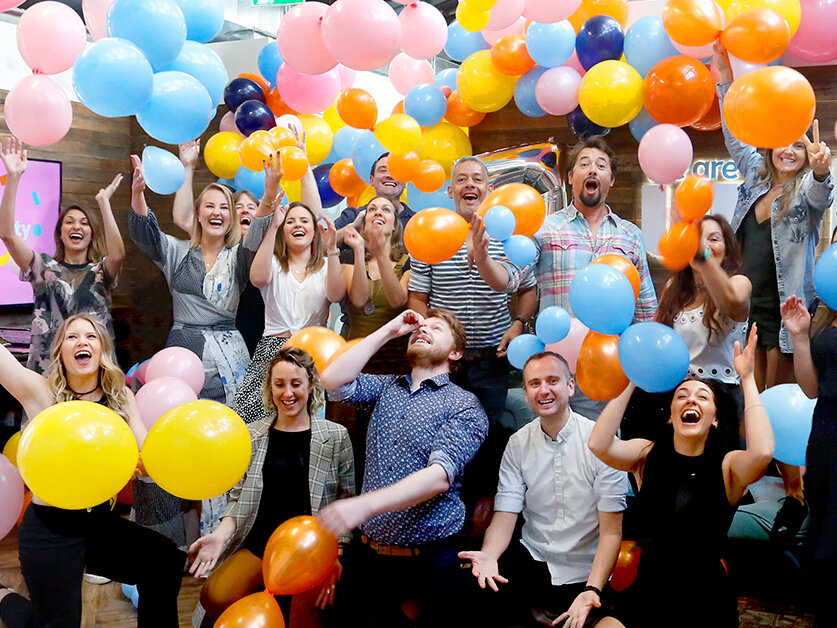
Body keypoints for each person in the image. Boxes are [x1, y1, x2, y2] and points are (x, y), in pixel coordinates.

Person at [714, 42, 833, 545]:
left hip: (788, 313)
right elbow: (734, 132)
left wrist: (823, 169)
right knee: (752, 401)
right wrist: (723, 79)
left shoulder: (804, 190)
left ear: (806, 149)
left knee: (785, 401)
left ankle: (796, 496)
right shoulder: (753, 179)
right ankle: (760, 485)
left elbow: (820, 193)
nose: (788, 150)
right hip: (749, 310)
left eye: (797, 145)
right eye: (780, 142)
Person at [128, 152, 278, 545]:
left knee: (225, 440)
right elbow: (145, 233)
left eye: (223, 207)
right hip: (182, 353)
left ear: (231, 216)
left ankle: (221, 539)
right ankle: (165, 541)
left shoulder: (239, 256)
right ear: (197, 213)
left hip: (231, 354)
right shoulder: (177, 252)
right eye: (208, 206)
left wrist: (271, 189)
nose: (217, 212)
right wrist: (139, 194)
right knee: (172, 440)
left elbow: (260, 229)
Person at [0, 315, 185, 628]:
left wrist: (147, 464)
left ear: (102, 350)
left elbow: (145, 449)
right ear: (60, 352)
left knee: (164, 560)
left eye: (91, 336)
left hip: (96, 524)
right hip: (50, 527)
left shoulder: (120, 398)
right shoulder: (43, 395)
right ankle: (3, 596)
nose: (82, 342)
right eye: (72, 337)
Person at [587, 326, 774, 628]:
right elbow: (599, 444)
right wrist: (633, 380)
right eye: (682, 396)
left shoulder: (728, 468)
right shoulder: (645, 454)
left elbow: (763, 452)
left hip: (704, 603)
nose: (691, 400)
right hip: (647, 594)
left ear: (714, 419)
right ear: (671, 415)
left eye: (703, 397)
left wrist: (748, 378)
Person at [317, 309, 488, 627]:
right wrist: (388, 331)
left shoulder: (463, 405)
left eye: (436, 328)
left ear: (455, 352)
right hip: (369, 558)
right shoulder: (386, 389)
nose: (423, 330)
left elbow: (439, 477)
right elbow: (331, 380)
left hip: (429, 562)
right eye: (420, 328)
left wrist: (364, 505)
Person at [475, 137, 657, 419]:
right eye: (584, 165)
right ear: (571, 178)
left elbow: (646, 308)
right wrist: (484, 257)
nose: (592, 170)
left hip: (606, 366)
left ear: (612, 180)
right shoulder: (546, 227)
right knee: (550, 450)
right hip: (554, 366)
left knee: (599, 453)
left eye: (601, 165)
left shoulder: (630, 234)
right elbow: (508, 279)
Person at [188, 346, 355, 626]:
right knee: (215, 597)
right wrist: (220, 534)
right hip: (259, 542)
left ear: (310, 385)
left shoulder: (336, 437)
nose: (287, 393)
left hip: (309, 551)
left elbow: (346, 500)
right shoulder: (252, 436)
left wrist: (335, 555)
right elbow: (238, 497)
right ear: (270, 388)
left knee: (303, 622)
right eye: (279, 384)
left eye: (295, 383)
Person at [459, 351, 627, 628]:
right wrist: (489, 554)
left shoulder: (600, 443)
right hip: (532, 564)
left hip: (585, 573)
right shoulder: (517, 444)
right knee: (470, 589)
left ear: (570, 386)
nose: (544, 390)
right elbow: (505, 514)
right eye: (534, 384)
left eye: (552, 380)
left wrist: (592, 590)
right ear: (525, 393)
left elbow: (611, 532)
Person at [409, 156, 537, 425]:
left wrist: (518, 324)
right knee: (439, 426)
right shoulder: (430, 234)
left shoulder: (507, 238)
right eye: (462, 179)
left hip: (492, 355)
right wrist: (429, 337)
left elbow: (527, 289)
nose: (470, 184)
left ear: (489, 190)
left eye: (478, 179)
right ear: (450, 190)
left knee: (487, 429)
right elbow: (418, 298)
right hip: (442, 356)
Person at [0, 137, 125, 376]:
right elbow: (6, 234)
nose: (76, 227)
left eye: (84, 223)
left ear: (92, 233)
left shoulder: (100, 272)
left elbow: (118, 254)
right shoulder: (43, 267)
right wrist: (13, 177)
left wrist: (104, 203)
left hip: (96, 372)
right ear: (60, 232)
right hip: (48, 372)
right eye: (69, 222)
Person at [625, 215, 751, 442]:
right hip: (676, 395)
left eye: (713, 239)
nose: (704, 245)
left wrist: (703, 258)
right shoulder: (674, 288)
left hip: (720, 399)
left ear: (727, 250)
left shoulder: (739, 283)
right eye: (697, 239)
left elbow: (731, 302)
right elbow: (658, 339)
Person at [231, 190, 343, 426]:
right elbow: (257, 279)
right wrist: (273, 226)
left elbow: (336, 294)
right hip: (272, 348)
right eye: (290, 221)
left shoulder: (324, 265)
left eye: (304, 221)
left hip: (312, 353)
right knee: (250, 419)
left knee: (307, 422)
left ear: (313, 231)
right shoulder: (272, 262)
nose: (297, 225)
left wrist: (332, 248)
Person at [781, 294, 837, 627]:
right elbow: (811, 387)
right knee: (825, 529)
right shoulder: (826, 306)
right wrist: (800, 336)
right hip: (826, 433)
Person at [341, 194, 411, 374]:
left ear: (395, 225)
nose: (378, 213)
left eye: (386, 210)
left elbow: (398, 301)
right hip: (354, 355)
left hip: (394, 358)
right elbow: (358, 299)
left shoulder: (408, 261)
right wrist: (359, 250)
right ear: (364, 225)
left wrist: (380, 254)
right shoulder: (349, 256)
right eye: (372, 209)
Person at [334, 153, 414, 245]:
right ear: (372, 180)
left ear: (405, 183)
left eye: (395, 171)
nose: (389, 176)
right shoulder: (352, 216)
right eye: (383, 170)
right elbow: (323, 247)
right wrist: (353, 227)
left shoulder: (415, 223)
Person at [232, 189, 265, 356]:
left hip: (264, 339)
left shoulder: (270, 250)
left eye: (251, 207)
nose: (245, 210)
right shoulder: (219, 251)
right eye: (238, 206)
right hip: (229, 339)